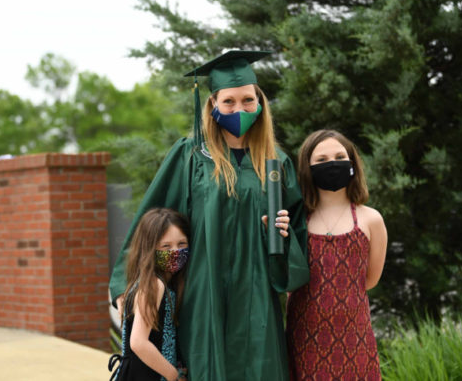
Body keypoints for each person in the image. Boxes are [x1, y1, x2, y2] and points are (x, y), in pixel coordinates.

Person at [110, 50, 310, 380]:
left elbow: (298, 239)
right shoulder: (190, 156)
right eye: (228, 102)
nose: (239, 109)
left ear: (259, 103)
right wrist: (125, 282)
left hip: (257, 293)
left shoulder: (277, 164)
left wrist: (282, 237)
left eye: (248, 100)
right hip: (204, 293)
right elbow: (153, 216)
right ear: (213, 104)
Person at [286, 129, 388, 381]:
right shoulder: (295, 221)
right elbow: (287, 279)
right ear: (307, 168)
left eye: (339, 156)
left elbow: (370, 280)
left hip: (355, 340)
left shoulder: (371, 219)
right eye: (321, 160)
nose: (331, 164)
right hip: (304, 339)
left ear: (352, 163)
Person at [109, 208, 189, 381]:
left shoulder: (151, 282)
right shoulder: (154, 284)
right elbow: (138, 342)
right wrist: (173, 375)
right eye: (166, 246)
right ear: (150, 249)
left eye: (181, 244)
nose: (175, 252)